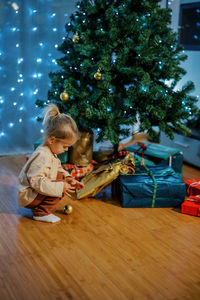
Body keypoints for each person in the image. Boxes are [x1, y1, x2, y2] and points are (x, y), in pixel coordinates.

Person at [18, 104, 84, 223]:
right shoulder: (42, 156)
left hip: (34, 193)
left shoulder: (50, 152)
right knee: (60, 184)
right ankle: (41, 213)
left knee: (60, 178)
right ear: (52, 140)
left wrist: (68, 178)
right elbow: (35, 181)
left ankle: (40, 208)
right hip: (29, 196)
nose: (67, 149)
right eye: (65, 146)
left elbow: (58, 169)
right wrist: (60, 186)